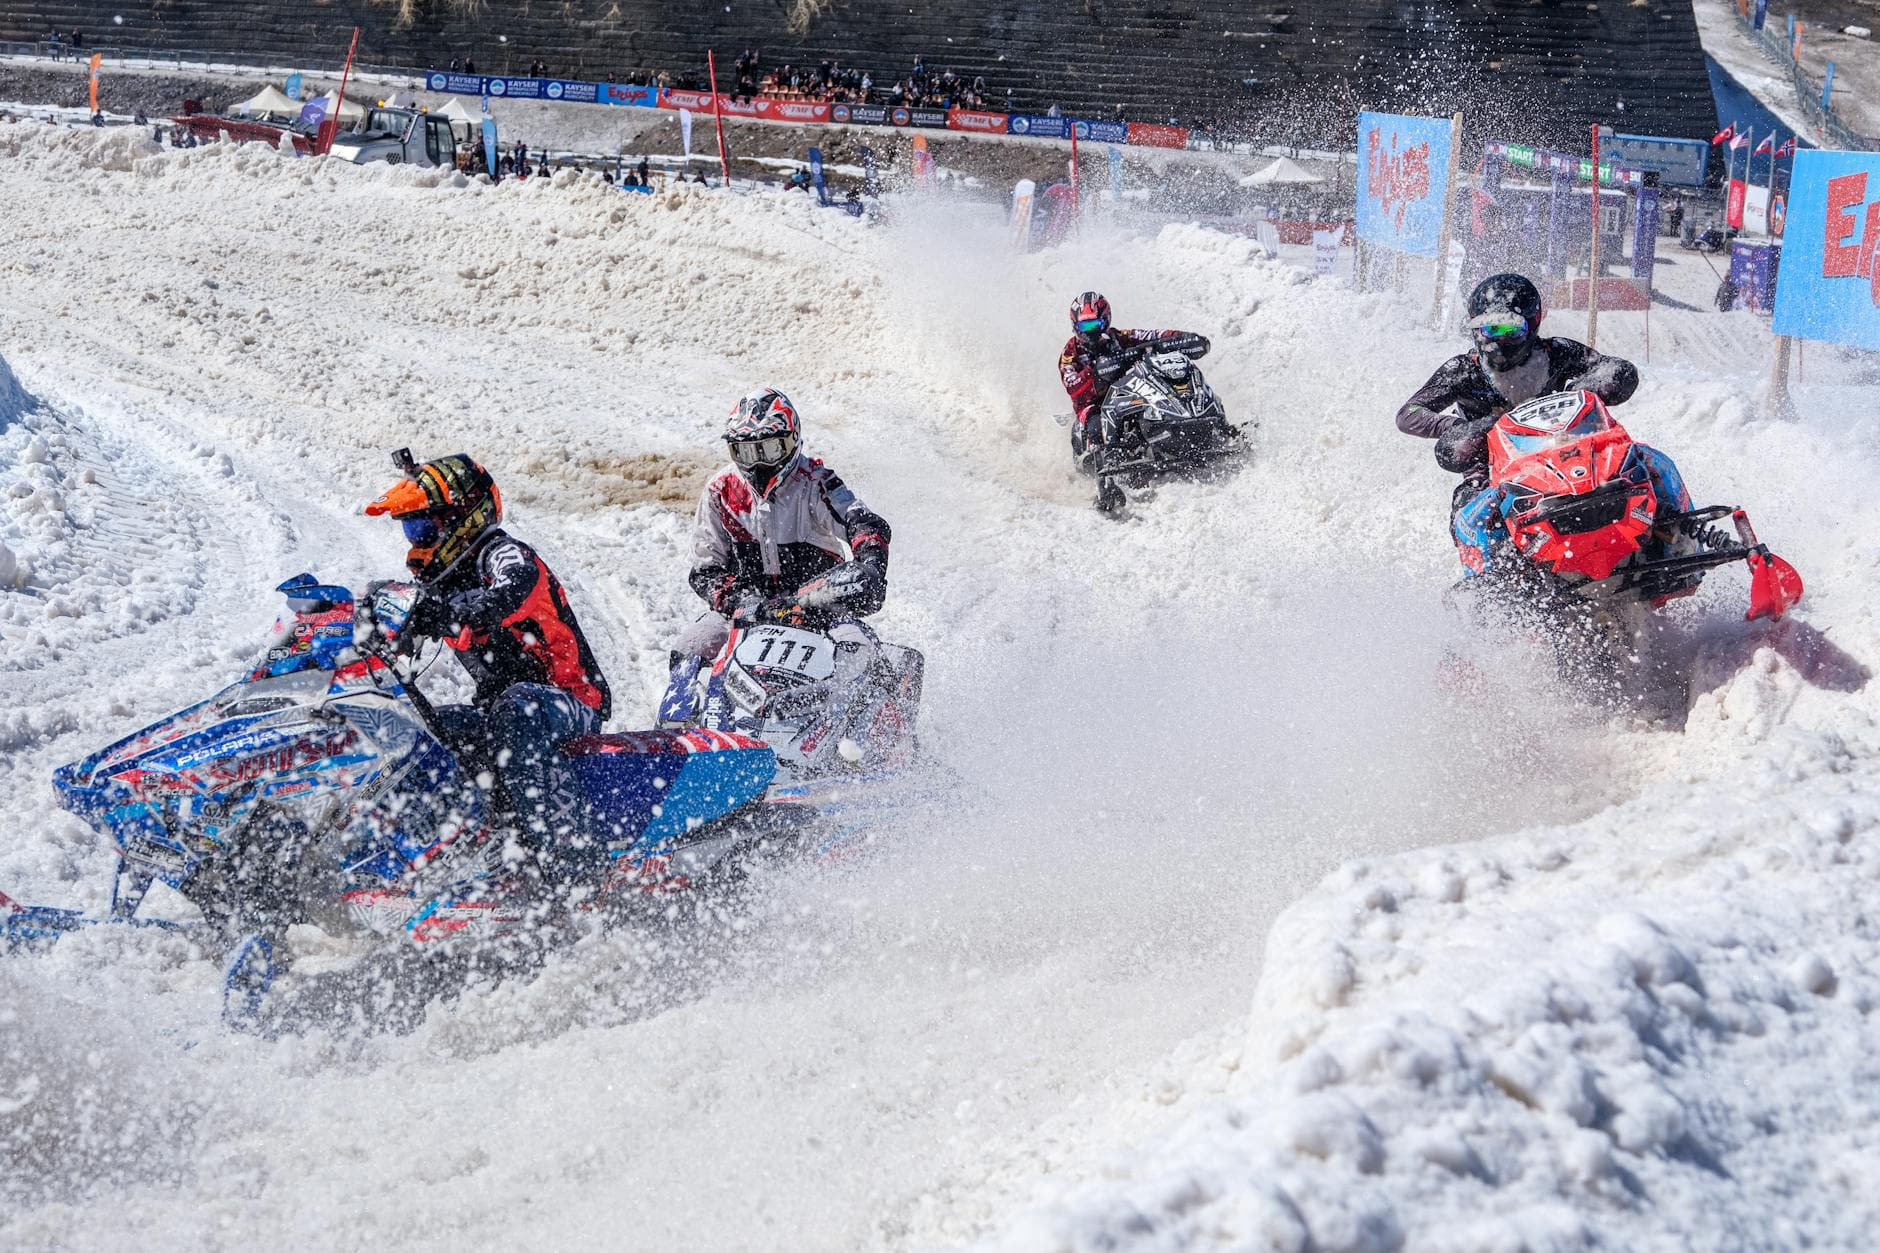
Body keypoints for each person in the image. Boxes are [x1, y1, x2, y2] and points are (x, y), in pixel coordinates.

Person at [363, 451, 612, 898]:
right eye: (409, 529)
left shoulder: (503, 554)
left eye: (421, 526)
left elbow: (508, 590)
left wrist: (448, 613)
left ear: (462, 515)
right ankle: (416, 869)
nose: (415, 541)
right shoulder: (441, 582)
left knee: (517, 710)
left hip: (569, 700)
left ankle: (555, 868)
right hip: (501, 707)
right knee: (425, 732)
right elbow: (408, 621)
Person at [675, 389, 890, 666]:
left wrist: (871, 563)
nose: (757, 463)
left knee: (863, 656)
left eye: (768, 449)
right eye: (744, 451)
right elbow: (705, 570)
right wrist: (742, 602)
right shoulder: (720, 490)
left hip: (821, 610)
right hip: (746, 613)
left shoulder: (815, 480)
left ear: (791, 439)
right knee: (688, 652)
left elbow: (861, 521)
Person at [1396, 272, 1639, 513]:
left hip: (1569, 449)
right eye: (1491, 330)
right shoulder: (1462, 370)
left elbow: (1617, 369)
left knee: (1639, 461)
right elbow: (1410, 413)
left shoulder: (1558, 353)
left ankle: (1670, 527)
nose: (1500, 341)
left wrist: (1583, 390)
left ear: (1533, 325)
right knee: (1470, 504)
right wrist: (1460, 427)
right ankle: (1499, 551)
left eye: (1511, 330)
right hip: (1491, 466)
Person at [1058, 290, 1211, 475]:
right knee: (1097, 426)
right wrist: (1097, 370)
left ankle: (1202, 425)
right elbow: (1073, 388)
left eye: (1095, 325)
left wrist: (1183, 339)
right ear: (1075, 325)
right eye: (1085, 327)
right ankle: (1105, 473)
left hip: (1129, 396)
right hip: (1094, 405)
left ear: (1106, 321)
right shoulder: (1070, 354)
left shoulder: (1121, 337)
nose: (1090, 333)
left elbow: (1154, 336)